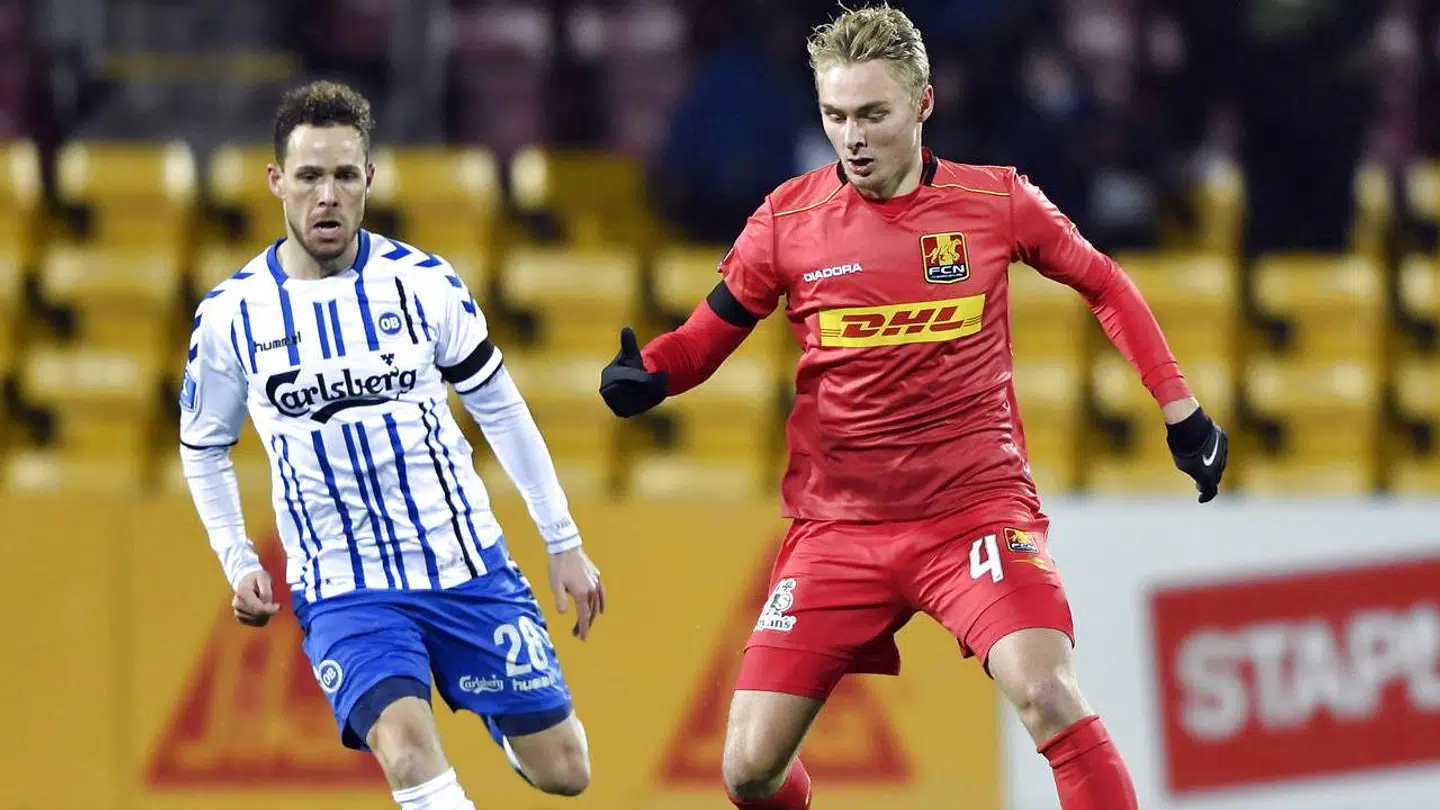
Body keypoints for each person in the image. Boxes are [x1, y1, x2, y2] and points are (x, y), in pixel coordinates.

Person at [599, 5, 1228, 810]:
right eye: (834, 116)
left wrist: (1182, 411)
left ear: (923, 103)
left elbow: (1104, 282)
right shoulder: (787, 220)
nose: (852, 138)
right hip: (839, 530)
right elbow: (703, 338)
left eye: (872, 114)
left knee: (1048, 693)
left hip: (974, 515)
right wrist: (651, 373)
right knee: (748, 771)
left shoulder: (995, 201)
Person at [179, 80, 605, 810]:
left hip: (465, 565)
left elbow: (500, 408)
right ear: (276, 181)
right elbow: (203, 445)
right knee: (407, 752)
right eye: (309, 176)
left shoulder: (424, 285)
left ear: (369, 179)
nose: (327, 196)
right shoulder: (231, 316)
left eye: (345, 175)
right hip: (345, 588)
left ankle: (502, 717)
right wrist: (237, 558)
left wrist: (562, 539)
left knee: (565, 770)